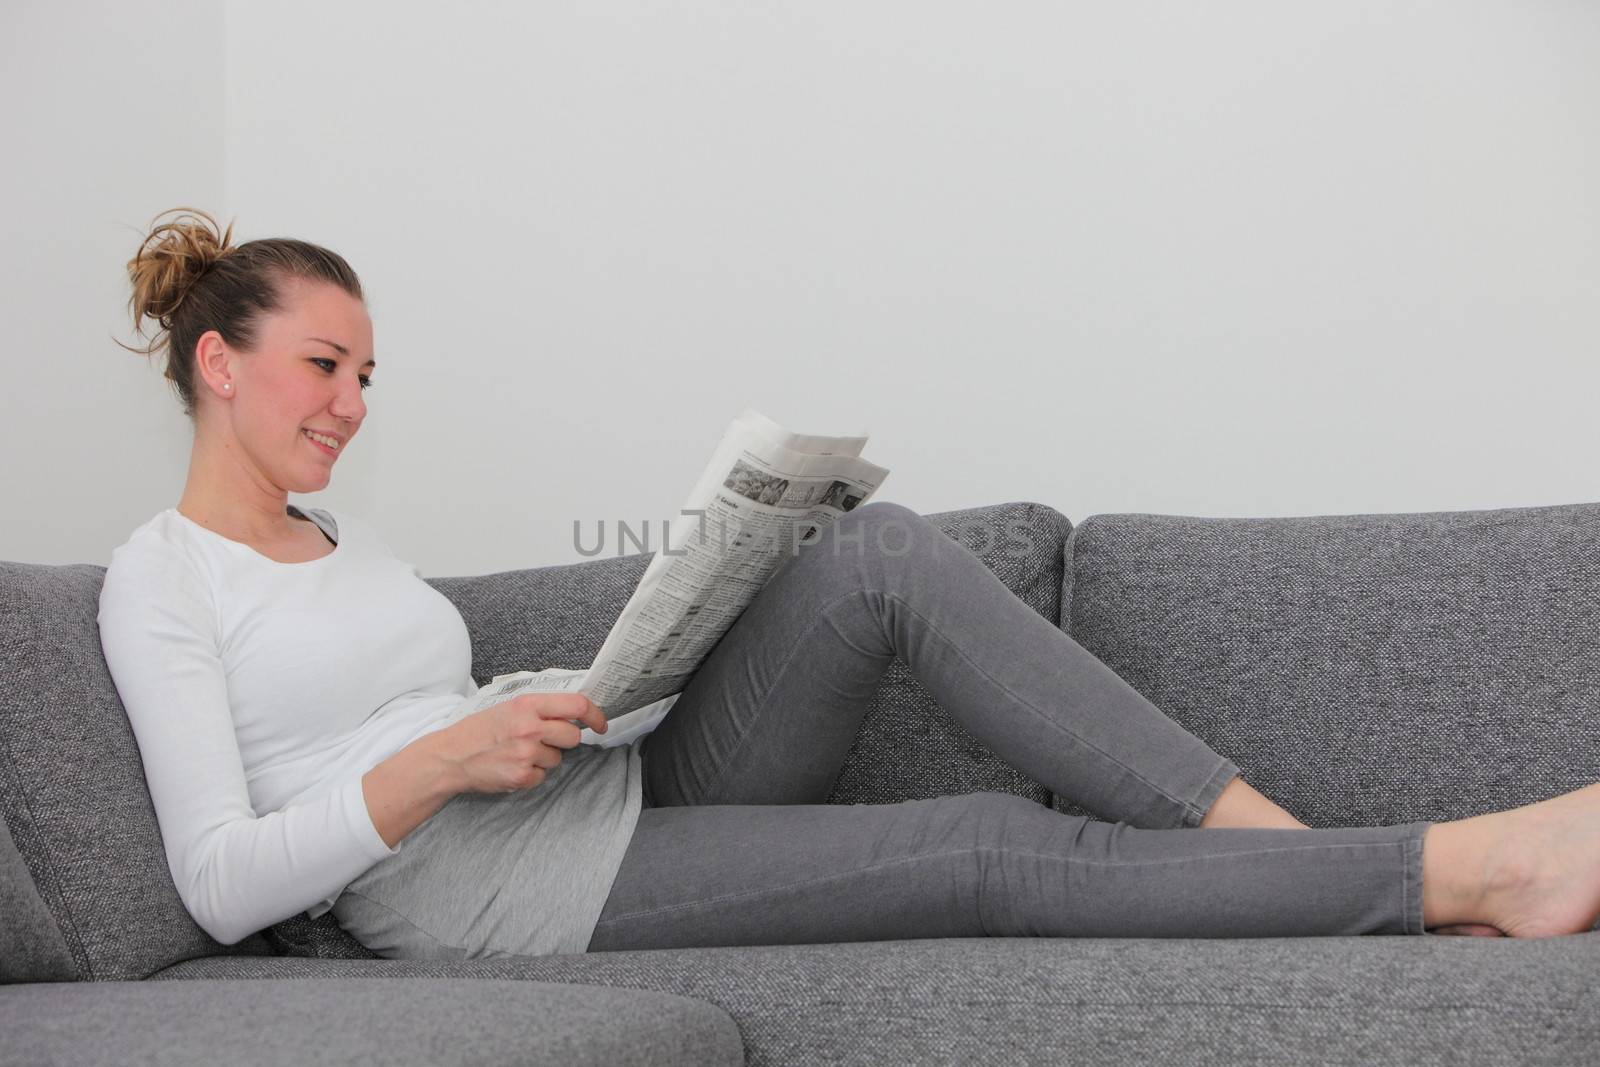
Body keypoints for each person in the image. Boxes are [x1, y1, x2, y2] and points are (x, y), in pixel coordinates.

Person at [98, 207, 1599, 962]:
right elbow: (218, 885)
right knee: (977, 842)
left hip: (579, 780)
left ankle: (1279, 862)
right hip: (483, 888)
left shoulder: (347, 546)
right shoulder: (159, 583)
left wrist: (593, 690)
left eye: (367, 373)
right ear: (219, 365)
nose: (354, 401)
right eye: (324, 367)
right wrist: (436, 763)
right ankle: (1463, 873)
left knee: (872, 551)